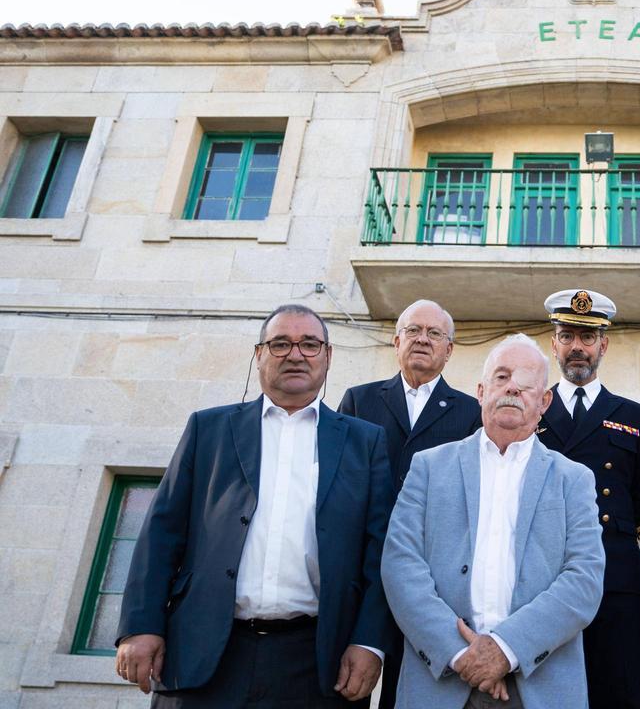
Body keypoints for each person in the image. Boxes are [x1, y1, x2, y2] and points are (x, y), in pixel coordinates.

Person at [115, 304, 392, 707]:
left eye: (310, 344)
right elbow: (161, 532)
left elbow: (380, 552)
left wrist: (370, 641)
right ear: (258, 354)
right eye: (280, 344)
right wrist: (140, 626)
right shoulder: (208, 430)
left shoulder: (365, 443)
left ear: (328, 356)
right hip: (204, 652)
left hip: (316, 663)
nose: (295, 355)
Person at [381, 334, 605, 709]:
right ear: (481, 391)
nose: (512, 388)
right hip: (442, 682)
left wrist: (504, 649)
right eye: (501, 377)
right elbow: (401, 564)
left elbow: (584, 579)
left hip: (539, 685)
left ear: (544, 400)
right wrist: (461, 655)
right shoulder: (429, 466)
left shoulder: (574, 479)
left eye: (526, 382)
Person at [338, 299, 482, 709]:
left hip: (428, 579)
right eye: (414, 330)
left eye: (434, 333)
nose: (423, 339)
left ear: (449, 349)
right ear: (396, 339)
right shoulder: (358, 401)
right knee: (345, 686)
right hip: (360, 570)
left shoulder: (471, 413)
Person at [534, 288, 640, 709]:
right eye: (567, 336)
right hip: (540, 578)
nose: (577, 348)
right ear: (553, 343)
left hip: (614, 578)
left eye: (587, 338)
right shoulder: (532, 409)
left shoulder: (633, 414)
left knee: (617, 692)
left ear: (603, 345)